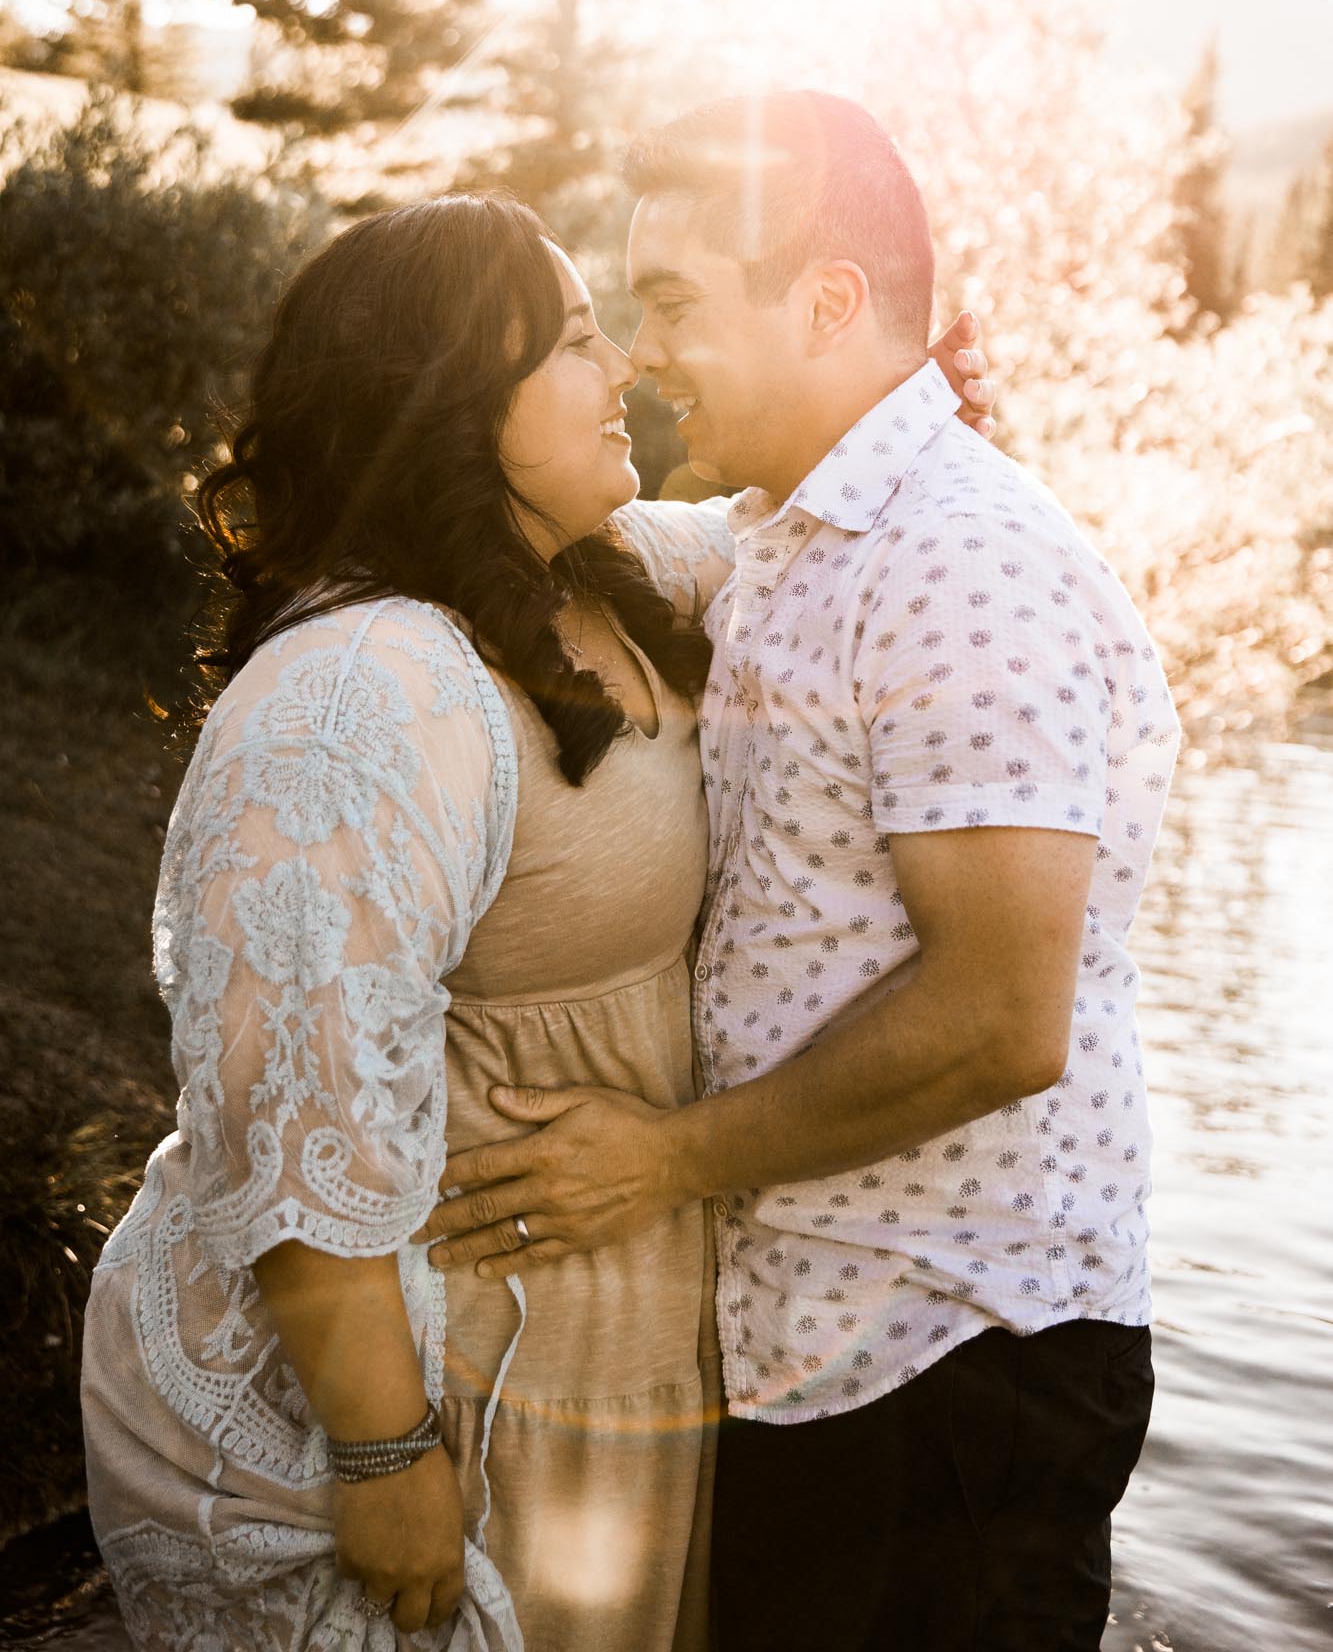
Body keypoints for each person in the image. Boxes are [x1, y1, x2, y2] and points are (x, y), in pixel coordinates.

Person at [80, 188, 992, 1651]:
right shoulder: (363, 688)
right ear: (448, 399)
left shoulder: (608, 580)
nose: (623, 365)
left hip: (603, 1369)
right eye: (574, 342)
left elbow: (817, 501)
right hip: (405, 1398)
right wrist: (382, 1453)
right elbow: (287, 1097)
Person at [419, 92, 1181, 1651]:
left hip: (954, 1365)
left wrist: (662, 1158)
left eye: (672, 302)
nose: (638, 354)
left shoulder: (960, 564)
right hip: (821, 1352)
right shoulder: (787, 534)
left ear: (827, 301)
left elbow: (999, 1017)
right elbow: (554, 533)